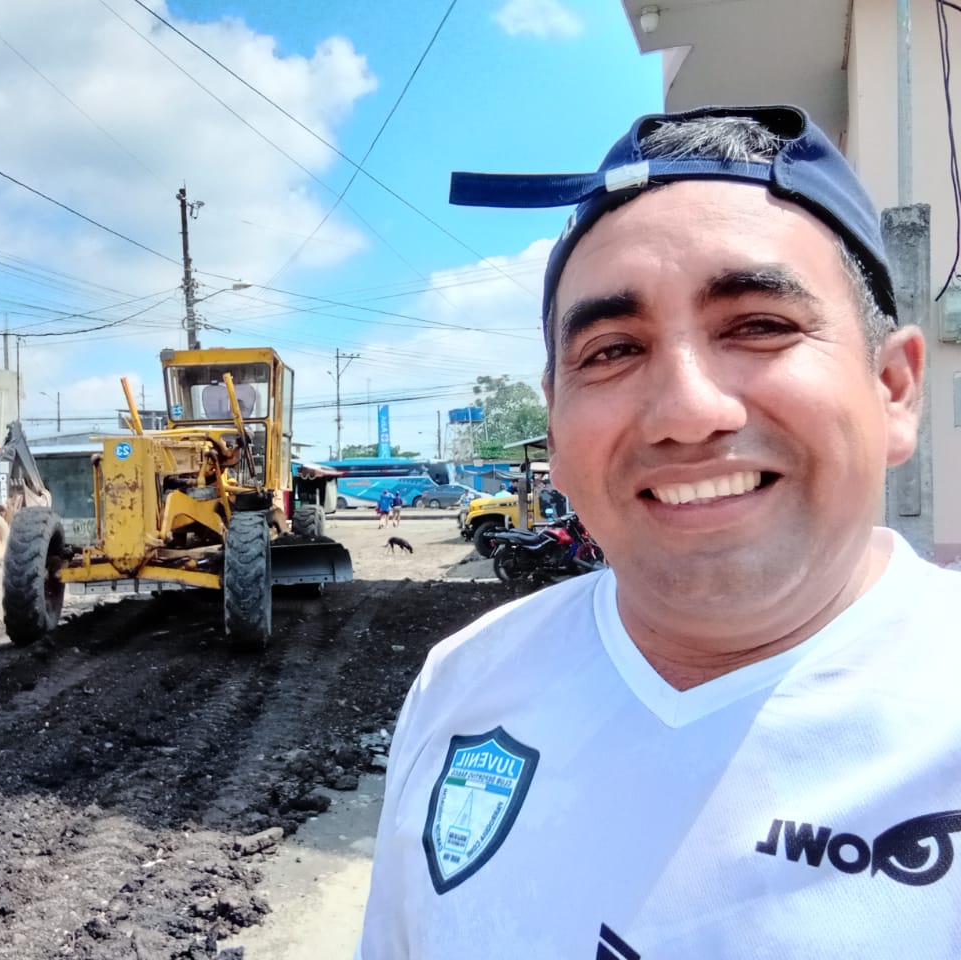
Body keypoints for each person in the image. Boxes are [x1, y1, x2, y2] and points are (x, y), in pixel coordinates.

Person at [357, 105, 959, 959]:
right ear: (555, 426)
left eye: (760, 325)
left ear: (894, 388)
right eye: (611, 350)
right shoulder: (462, 685)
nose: (686, 410)